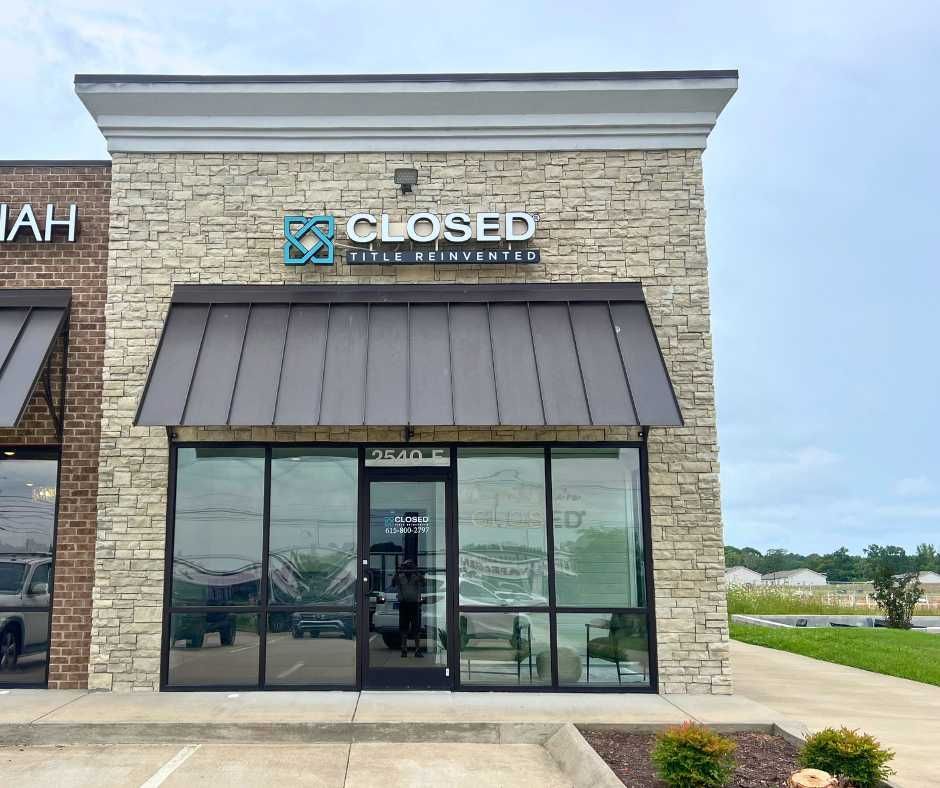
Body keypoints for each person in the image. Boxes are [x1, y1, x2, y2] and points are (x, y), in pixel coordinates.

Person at [392, 559, 425, 657]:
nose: (408, 568)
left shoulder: (416, 577)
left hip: (414, 604)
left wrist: (415, 570)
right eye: (407, 566)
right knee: (403, 628)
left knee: (416, 628)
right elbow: (393, 583)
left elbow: (423, 582)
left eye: (410, 566)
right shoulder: (400, 577)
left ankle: (417, 650)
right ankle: (404, 649)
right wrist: (399, 571)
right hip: (404, 604)